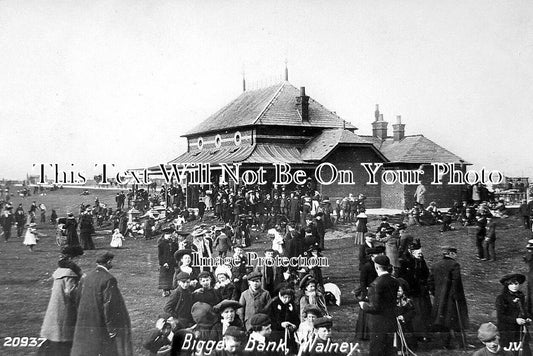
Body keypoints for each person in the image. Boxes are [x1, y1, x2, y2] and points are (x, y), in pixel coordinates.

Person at [71, 252, 133, 356]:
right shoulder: (109, 279)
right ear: (108, 262)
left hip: (85, 322)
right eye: (111, 262)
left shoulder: (87, 277)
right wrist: (111, 328)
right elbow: (109, 306)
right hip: (100, 323)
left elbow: (78, 298)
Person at [38, 246, 84, 356]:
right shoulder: (70, 274)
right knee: (63, 337)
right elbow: (71, 292)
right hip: (65, 309)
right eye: (78, 258)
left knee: (53, 336)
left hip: (55, 308)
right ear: (72, 258)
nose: (79, 260)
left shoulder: (59, 272)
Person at [428, 246, 469, 349]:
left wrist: (435, 293)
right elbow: (457, 282)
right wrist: (457, 296)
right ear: (450, 254)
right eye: (455, 254)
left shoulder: (435, 265)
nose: (456, 256)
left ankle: (445, 344)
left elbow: (430, 282)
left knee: (442, 321)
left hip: (439, 299)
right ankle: (461, 343)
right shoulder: (454, 265)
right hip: (453, 299)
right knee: (456, 320)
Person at [359, 255, 400, 356]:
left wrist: (363, 305)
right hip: (390, 320)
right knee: (389, 349)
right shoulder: (394, 281)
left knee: (377, 350)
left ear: (376, 267)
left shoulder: (376, 284)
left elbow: (374, 307)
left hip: (378, 323)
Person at [496, 273, 532, 356]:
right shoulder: (501, 298)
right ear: (507, 285)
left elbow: (522, 311)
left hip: (520, 330)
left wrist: (527, 318)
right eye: (511, 284)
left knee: (524, 351)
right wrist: (515, 320)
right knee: (509, 351)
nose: (514, 286)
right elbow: (501, 317)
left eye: (516, 283)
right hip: (507, 330)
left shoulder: (521, 296)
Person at [158, 231, 179, 297]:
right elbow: (160, 254)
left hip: (171, 261)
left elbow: (175, 250)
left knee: (171, 275)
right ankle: (164, 290)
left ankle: (169, 289)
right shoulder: (161, 243)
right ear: (164, 235)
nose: (169, 235)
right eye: (167, 234)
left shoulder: (173, 242)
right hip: (165, 262)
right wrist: (163, 262)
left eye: (170, 234)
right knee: (164, 276)